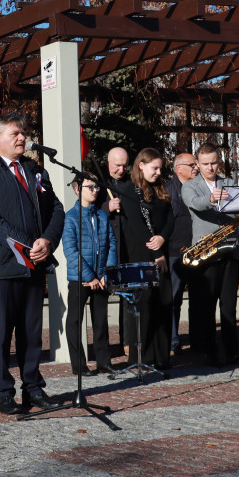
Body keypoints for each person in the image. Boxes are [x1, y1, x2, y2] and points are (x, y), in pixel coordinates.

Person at [0, 116, 64, 415]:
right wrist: (29, 243)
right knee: (1, 334)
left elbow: (56, 209)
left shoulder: (35, 170)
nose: (22, 138)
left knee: (31, 333)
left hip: (34, 265)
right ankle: (3, 393)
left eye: (23, 133)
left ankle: (33, 389)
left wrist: (47, 241)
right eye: (15, 134)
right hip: (1, 266)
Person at [182, 141, 239, 367]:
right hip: (206, 254)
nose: (210, 167)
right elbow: (194, 204)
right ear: (197, 164)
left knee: (229, 306)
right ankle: (210, 352)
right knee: (206, 307)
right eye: (205, 163)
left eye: (214, 163)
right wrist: (211, 198)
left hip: (230, 250)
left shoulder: (229, 183)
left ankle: (232, 352)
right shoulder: (190, 186)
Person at [118, 148, 175, 369]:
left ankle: (162, 356)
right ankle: (142, 357)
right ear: (141, 165)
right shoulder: (129, 190)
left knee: (163, 304)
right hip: (142, 254)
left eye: (160, 168)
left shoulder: (160, 188)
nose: (158, 172)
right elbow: (138, 225)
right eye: (154, 168)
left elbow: (170, 218)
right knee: (144, 306)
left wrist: (163, 238)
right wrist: (157, 253)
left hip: (160, 251)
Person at [62, 172, 116, 376]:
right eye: (90, 187)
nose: (94, 191)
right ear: (78, 190)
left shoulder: (101, 215)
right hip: (80, 278)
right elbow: (70, 251)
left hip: (101, 277)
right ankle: (79, 365)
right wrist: (88, 276)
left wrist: (105, 273)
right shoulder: (70, 217)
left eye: (96, 187)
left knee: (101, 320)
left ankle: (104, 362)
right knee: (75, 320)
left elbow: (111, 244)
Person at [100, 146, 135, 362]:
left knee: (128, 296)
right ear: (108, 163)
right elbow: (88, 209)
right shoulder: (99, 182)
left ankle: (128, 341)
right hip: (107, 248)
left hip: (128, 247)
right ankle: (103, 348)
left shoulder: (132, 184)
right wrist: (107, 207)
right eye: (117, 166)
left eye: (124, 166)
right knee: (101, 299)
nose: (121, 170)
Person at [166, 153, 196, 354]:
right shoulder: (168, 189)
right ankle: (172, 342)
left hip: (196, 252)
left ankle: (197, 340)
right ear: (179, 169)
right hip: (174, 252)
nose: (196, 168)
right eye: (191, 165)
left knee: (198, 298)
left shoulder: (198, 187)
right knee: (173, 299)